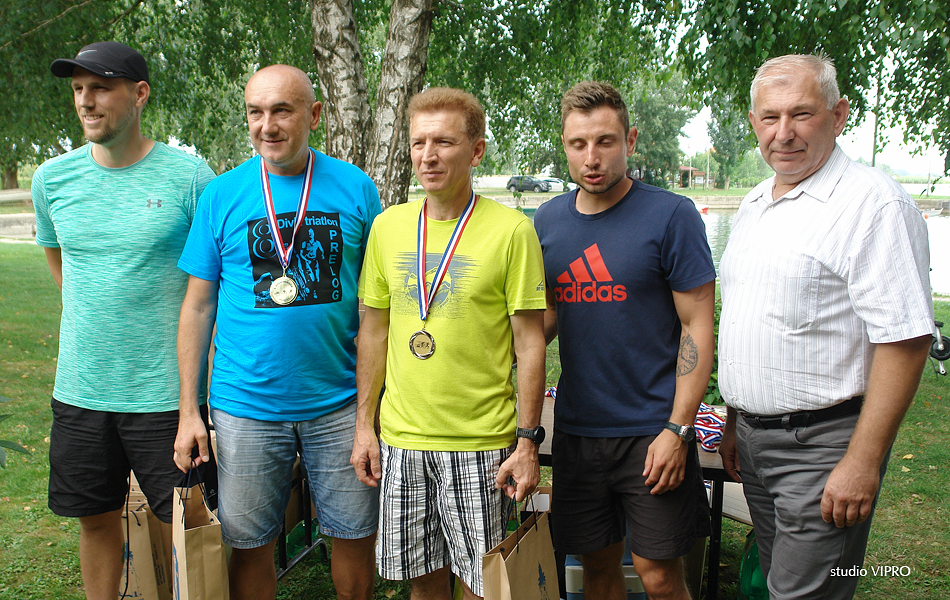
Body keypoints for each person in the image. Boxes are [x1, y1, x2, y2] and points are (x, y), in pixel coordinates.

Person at [718, 54, 933, 600]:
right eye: (770, 117)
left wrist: (862, 461)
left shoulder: (873, 204)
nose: (783, 133)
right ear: (754, 122)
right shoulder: (754, 203)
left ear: (838, 115)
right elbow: (752, 319)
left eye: (801, 114)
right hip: (755, 444)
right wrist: (736, 419)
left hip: (823, 447)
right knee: (780, 582)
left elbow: (905, 340)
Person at [173, 64, 381, 600]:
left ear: (314, 115)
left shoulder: (356, 187)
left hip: (340, 403)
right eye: (256, 112)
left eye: (282, 110)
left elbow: (377, 306)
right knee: (249, 544)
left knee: (355, 537)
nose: (267, 125)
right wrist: (190, 411)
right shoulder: (221, 195)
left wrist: (371, 410)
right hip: (246, 406)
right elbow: (197, 306)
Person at [32, 41, 217, 599]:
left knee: (189, 524)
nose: (85, 101)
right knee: (95, 519)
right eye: (77, 89)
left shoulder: (190, 178)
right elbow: (63, 267)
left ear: (139, 95)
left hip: (166, 395)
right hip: (82, 390)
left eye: (100, 88)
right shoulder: (52, 180)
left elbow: (212, 285)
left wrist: (195, 398)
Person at [352, 87, 547, 600]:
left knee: (486, 586)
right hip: (403, 440)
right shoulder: (387, 228)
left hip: (480, 443)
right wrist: (364, 427)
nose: (428, 156)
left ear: (476, 151)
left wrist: (528, 442)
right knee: (423, 584)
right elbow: (373, 331)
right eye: (419, 143)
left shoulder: (511, 231)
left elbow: (530, 345)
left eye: (444, 142)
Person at [533, 81, 715, 600]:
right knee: (595, 566)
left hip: (652, 429)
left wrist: (678, 429)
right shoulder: (547, 221)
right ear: (565, 145)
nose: (591, 158)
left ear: (630, 140)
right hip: (577, 430)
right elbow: (547, 317)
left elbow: (697, 326)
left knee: (658, 574)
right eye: (578, 144)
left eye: (605, 141)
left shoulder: (671, 215)